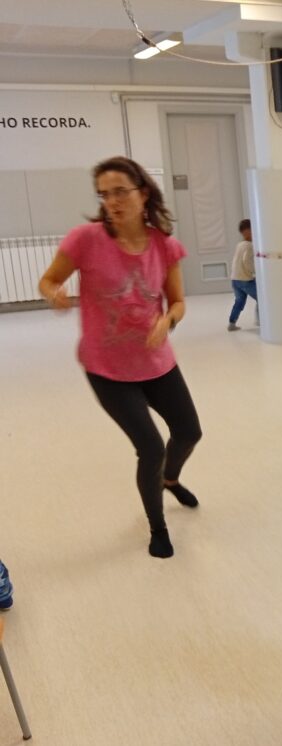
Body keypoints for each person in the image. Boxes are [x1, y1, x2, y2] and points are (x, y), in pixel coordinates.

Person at [38, 156, 203, 559]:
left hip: (156, 362)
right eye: (104, 195)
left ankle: (169, 480)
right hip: (107, 368)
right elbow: (49, 279)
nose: (111, 201)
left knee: (189, 432)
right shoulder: (85, 239)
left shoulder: (164, 245)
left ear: (143, 193)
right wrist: (53, 294)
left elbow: (178, 302)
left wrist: (168, 320)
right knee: (151, 447)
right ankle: (157, 527)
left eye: (120, 192)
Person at [227, 218, 258, 331]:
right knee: (261, 298)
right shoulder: (249, 246)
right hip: (245, 280)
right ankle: (260, 320)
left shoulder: (239, 244)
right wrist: (254, 272)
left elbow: (236, 261)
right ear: (248, 231)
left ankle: (232, 323)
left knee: (239, 302)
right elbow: (247, 262)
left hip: (235, 279)